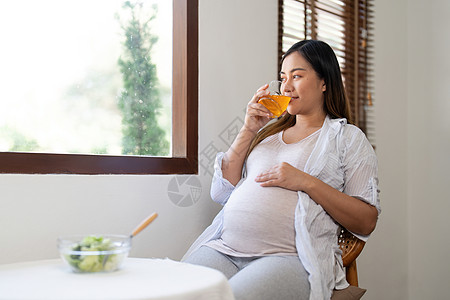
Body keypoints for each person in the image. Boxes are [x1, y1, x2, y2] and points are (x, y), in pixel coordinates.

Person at [182, 40, 380, 300]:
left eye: (297, 76)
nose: (286, 86)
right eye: (283, 77)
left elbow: (366, 219)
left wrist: (306, 182)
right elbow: (220, 191)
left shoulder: (347, 138)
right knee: (179, 292)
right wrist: (249, 129)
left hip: (288, 256)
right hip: (225, 248)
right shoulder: (267, 133)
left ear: (325, 82)